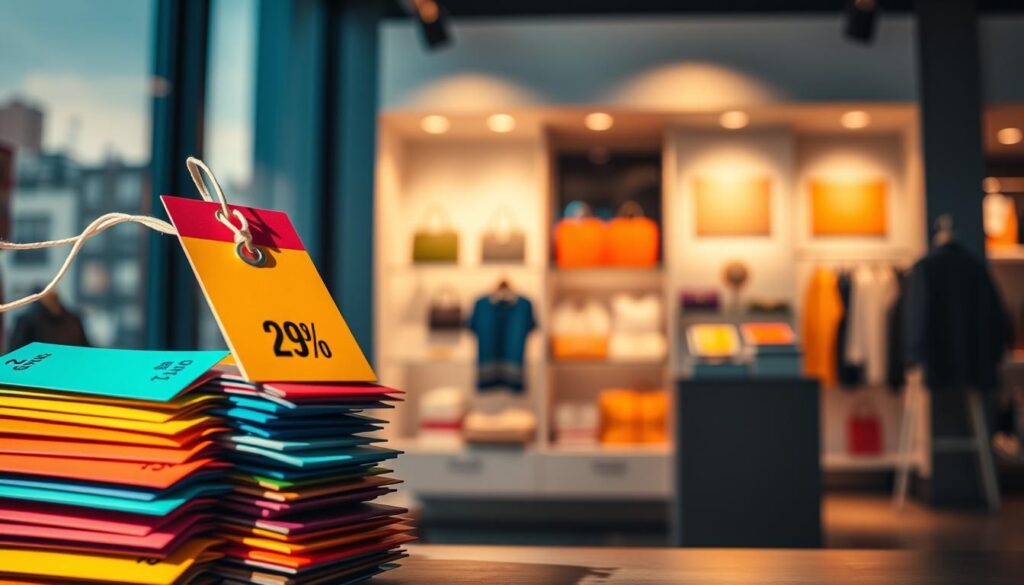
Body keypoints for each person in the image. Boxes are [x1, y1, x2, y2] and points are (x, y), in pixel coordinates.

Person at [8, 286, 90, 350]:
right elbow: (17, 349)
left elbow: (85, 346)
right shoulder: (27, 321)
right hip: (40, 368)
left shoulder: (73, 319)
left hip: (70, 364)